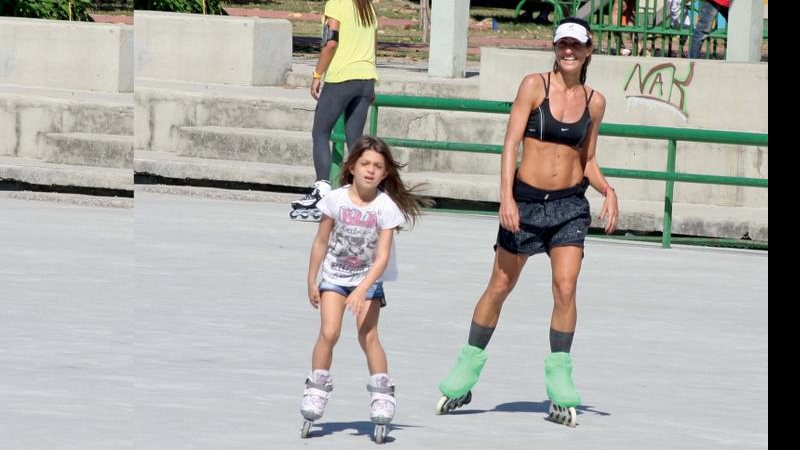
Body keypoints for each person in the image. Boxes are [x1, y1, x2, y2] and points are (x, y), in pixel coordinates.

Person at [434, 17, 618, 428]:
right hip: (526, 204)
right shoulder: (534, 85)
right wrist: (507, 198)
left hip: (570, 206)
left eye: (576, 45)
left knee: (565, 287)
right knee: (499, 286)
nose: (568, 51)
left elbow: (587, 160)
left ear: (589, 50)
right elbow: (511, 143)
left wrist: (608, 190)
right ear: (555, 48)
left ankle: (560, 383)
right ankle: (465, 373)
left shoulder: (595, 101)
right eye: (562, 44)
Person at [298, 136, 430, 442]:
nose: (371, 170)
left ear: (385, 174)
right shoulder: (336, 199)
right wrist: (311, 279)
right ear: (352, 167)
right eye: (365, 164)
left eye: (378, 167)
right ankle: (316, 388)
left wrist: (363, 289)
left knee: (367, 335)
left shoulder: (386, 207)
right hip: (334, 275)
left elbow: (382, 256)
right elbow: (320, 241)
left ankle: (382, 393)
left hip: (367, 279)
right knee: (329, 332)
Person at [290, 0, 379, 221]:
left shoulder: (337, 3)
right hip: (366, 79)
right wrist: (371, 83)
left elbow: (331, 43)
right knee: (355, 140)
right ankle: (364, 194)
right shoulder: (367, 7)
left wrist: (317, 74)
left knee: (320, 132)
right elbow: (374, 44)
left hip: (342, 78)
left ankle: (321, 191)